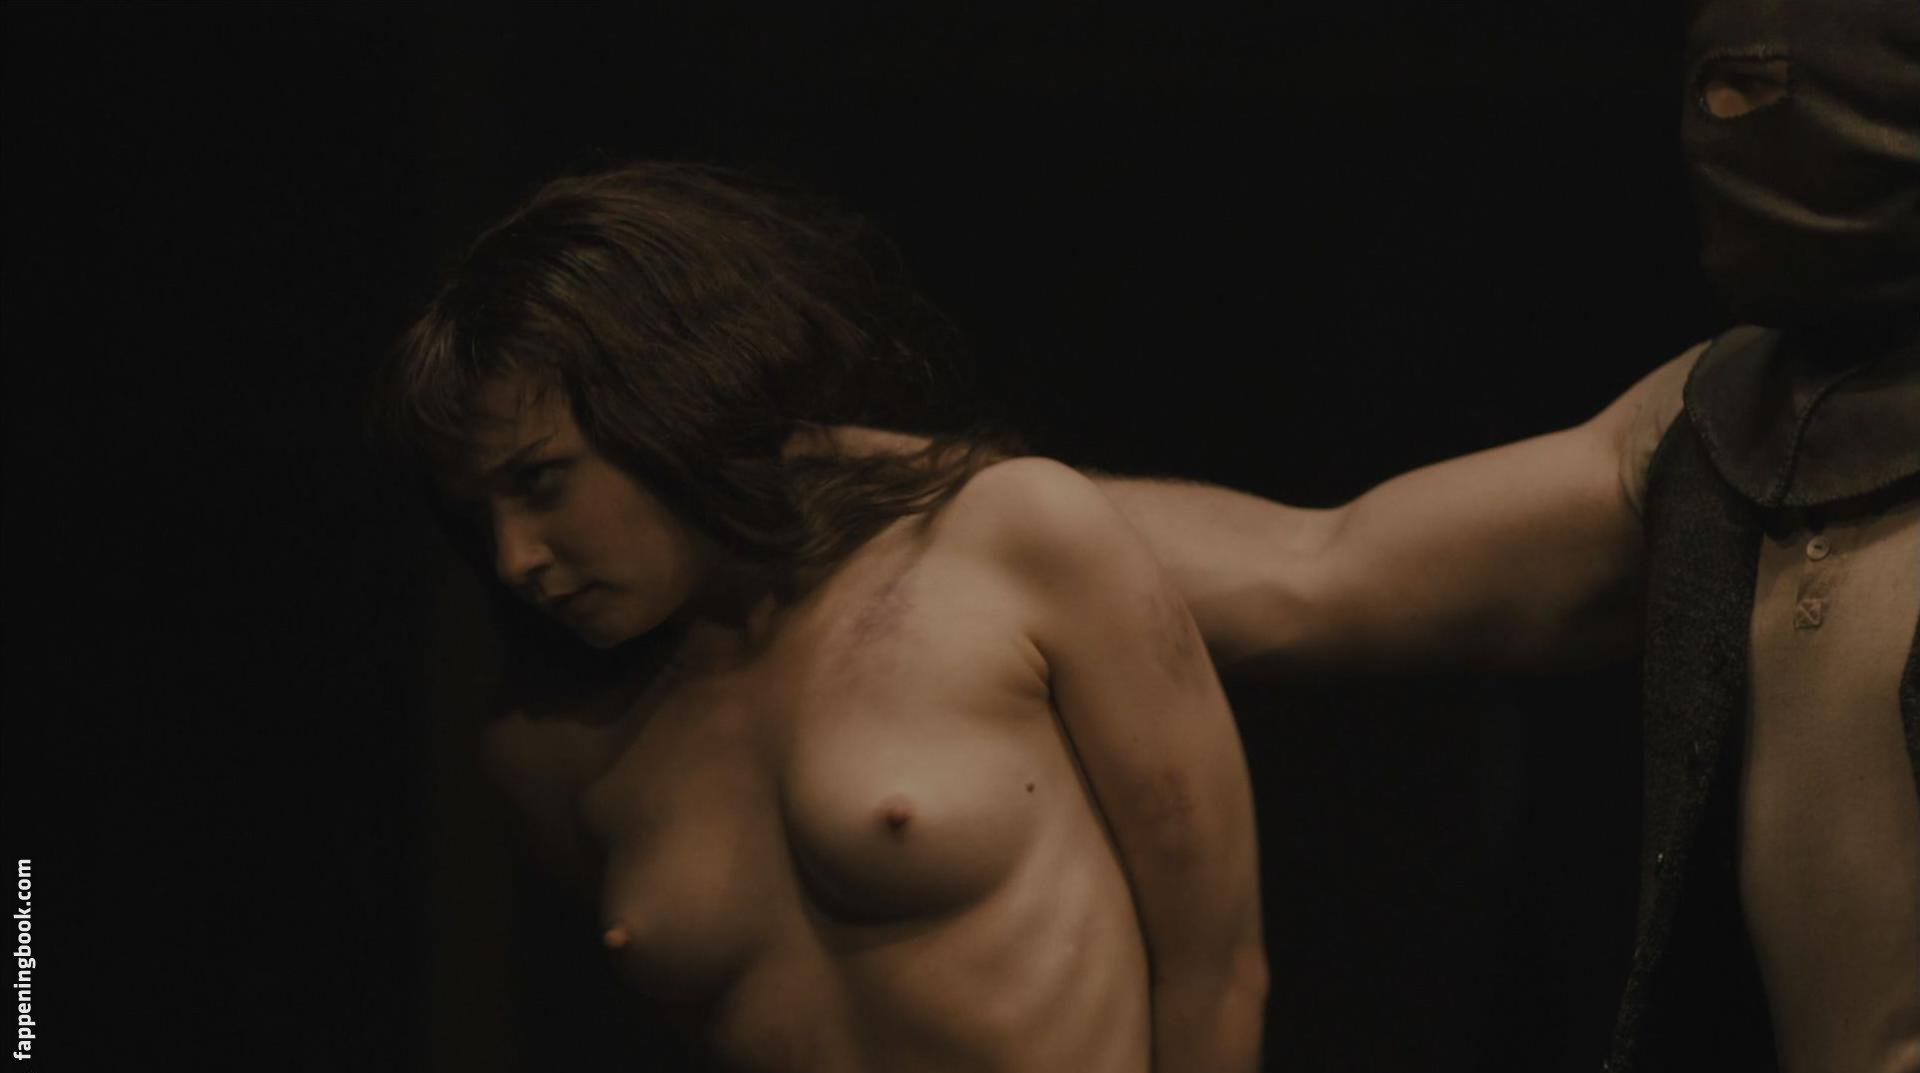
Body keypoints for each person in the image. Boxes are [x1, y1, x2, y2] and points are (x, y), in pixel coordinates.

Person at [1097, 2, 1920, 1071]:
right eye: (1723, 92)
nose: (1725, 122)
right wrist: (917, 494)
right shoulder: (1723, 428)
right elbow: (1310, 568)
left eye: (1763, 92)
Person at [369, 163, 1266, 1072]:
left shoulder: (1015, 538)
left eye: (539, 480)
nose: (514, 557)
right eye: (479, 515)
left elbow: (1216, 970)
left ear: (668, 400)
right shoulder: (546, 743)